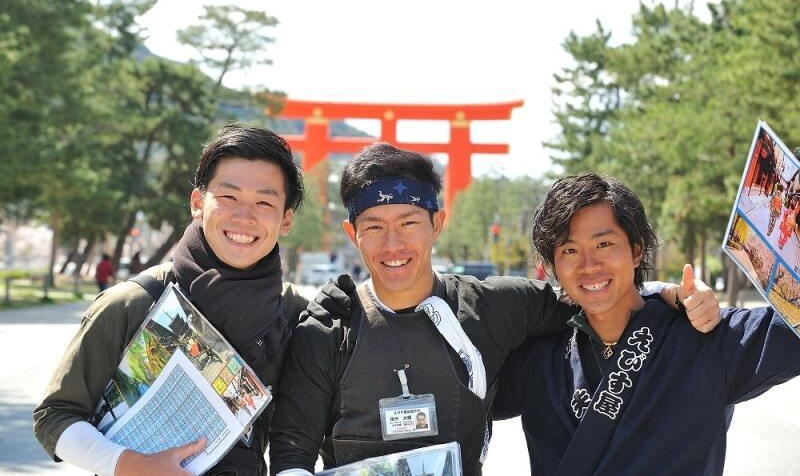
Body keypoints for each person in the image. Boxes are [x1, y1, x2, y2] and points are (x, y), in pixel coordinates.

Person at [268, 143, 721, 475]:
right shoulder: (328, 331)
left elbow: (592, 293)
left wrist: (667, 291)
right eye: (374, 227)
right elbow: (291, 455)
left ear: (437, 224)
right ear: (353, 233)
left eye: (409, 223)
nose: (393, 245)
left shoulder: (494, 307)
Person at [34, 124, 313, 476]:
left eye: (264, 201)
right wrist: (129, 464)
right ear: (198, 203)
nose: (245, 216)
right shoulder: (133, 304)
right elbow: (55, 416)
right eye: (228, 197)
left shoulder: (296, 316)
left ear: (286, 218)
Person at [493, 172, 800, 475]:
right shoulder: (537, 358)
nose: (589, 265)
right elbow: (457, 398)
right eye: (570, 250)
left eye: (604, 244)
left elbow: (792, 323)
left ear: (637, 250)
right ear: (554, 266)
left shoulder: (707, 338)